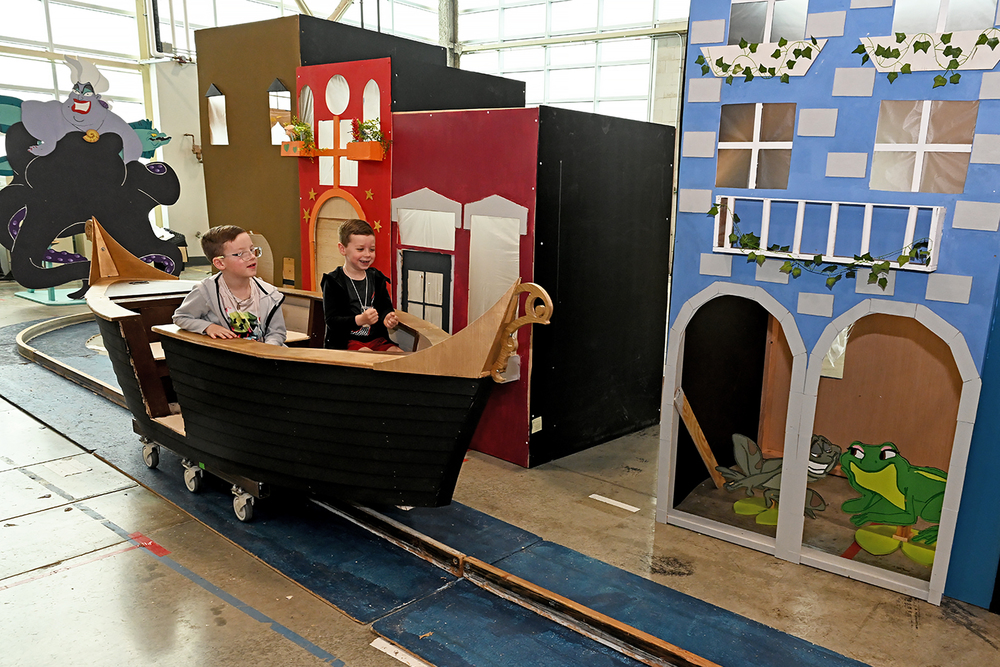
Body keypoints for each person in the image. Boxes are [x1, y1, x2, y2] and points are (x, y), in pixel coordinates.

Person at [173, 225, 286, 346]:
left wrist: (268, 349)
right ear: (220, 263)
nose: (252, 256)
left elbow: (277, 333)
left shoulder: (269, 294)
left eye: (252, 250)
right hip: (228, 358)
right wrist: (208, 327)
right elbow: (181, 317)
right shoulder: (206, 291)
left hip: (264, 358)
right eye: (241, 253)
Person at [321, 219, 401, 352]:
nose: (367, 254)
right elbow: (332, 321)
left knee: (399, 355)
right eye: (360, 249)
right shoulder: (333, 281)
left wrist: (388, 317)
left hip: (376, 339)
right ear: (342, 249)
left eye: (372, 249)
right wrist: (359, 319)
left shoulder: (376, 278)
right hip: (346, 341)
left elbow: (384, 307)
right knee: (366, 355)